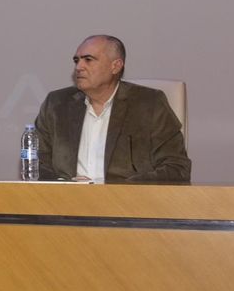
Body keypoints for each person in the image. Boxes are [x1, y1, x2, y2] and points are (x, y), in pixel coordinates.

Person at [33, 34, 190, 182]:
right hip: (65, 204)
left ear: (116, 66)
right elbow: (35, 163)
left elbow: (176, 167)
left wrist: (116, 189)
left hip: (127, 205)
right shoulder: (57, 104)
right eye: (77, 60)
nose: (79, 67)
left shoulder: (149, 104)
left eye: (88, 59)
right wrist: (64, 185)